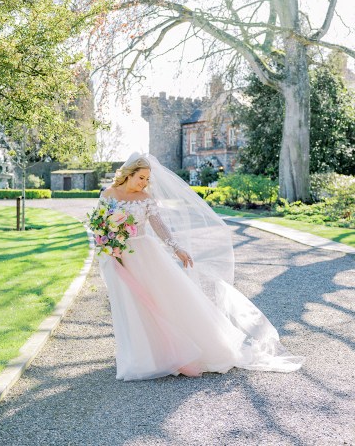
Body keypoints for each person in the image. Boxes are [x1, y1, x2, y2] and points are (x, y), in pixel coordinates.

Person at [97, 152, 304, 381]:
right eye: (141, 178)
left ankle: (174, 352)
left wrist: (177, 249)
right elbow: (100, 225)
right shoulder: (108, 195)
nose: (144, 183)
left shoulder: (146, 198)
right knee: (128, 304)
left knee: (158, 301)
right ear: (129, 174)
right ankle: (139, 356)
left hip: (145, 255)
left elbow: (159, 226)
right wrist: (106, 244)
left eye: (147, 179)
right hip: (116, 256)